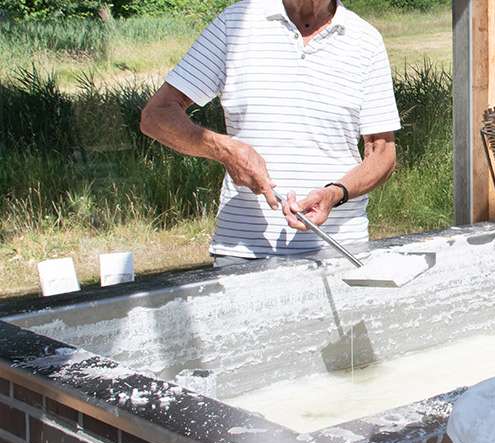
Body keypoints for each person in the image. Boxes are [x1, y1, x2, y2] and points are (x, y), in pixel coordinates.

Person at [141, 0, 400, 267]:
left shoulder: (365, 40)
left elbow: (382, 154)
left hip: (340, 251)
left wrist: (335, 194)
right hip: (243, 252)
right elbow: (157, 115)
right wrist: (224, 150)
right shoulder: (235, 23)